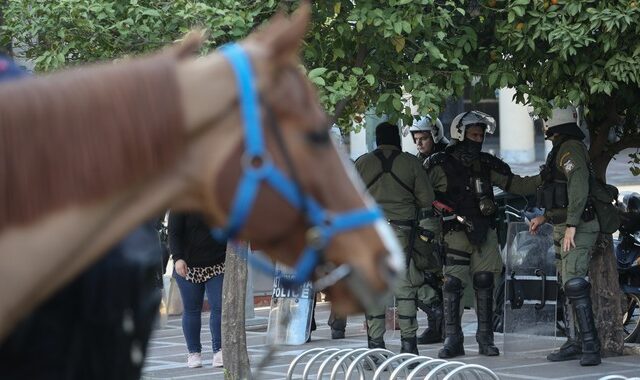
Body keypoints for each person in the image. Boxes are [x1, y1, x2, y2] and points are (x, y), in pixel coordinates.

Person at [424, 110, 539, 359]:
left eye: (481, 135)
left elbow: (516, 184)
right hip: (454, 232)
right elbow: (421, 193)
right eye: (473, 134)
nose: (478, 139)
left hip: (484, 231)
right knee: (452, 285)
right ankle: (453, 339)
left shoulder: (487, 164)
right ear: (460, 134)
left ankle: (485, 338)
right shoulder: (439, 163)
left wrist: (546, 178)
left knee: (486, 281)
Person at [526, 106, 601, 366]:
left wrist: (571, 225)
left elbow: (579, 187)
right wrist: (544, 217)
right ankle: (575, 341)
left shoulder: (570, 149)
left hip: (578, 227)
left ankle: (590, 345)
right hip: (563, 225)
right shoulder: (560, 149)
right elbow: (560, 192)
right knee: (566, 284)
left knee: (575, 284)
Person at [355, 121, 435, 356]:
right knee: (405, 289)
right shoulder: (411, 163)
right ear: (397, 140)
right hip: (403, 234)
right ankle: (409, 346)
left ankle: (375, 346)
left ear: (377, 140)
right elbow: (427, 199)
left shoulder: (362, 163)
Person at [406, 116, 450, 344]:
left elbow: (433, 195)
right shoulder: (421, 161)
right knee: (425, 273)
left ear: (434, 135)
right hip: (420, 222)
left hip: (433, 224)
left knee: (426, 272)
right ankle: (437, 324)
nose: (419, 143)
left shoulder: (441, 161)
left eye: (424, 138)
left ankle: (439, 319)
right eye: (416, 139)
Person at [168, 212, 227, 368]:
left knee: (219, 306)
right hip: (188, 267)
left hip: (218, 263)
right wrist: (177, 258)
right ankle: (194, 353)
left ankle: (219, 350)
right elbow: (173, 233)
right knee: (192, 309)